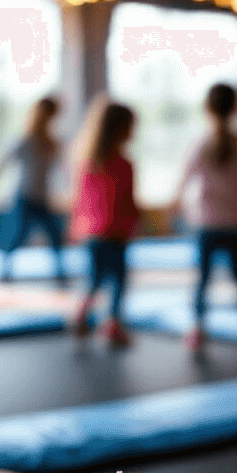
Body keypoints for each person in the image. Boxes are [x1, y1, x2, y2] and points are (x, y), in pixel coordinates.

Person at [170, 84, 237, 352]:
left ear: (208, 108)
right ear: (236, 108)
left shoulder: (201, 144)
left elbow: (182, 184)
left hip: (205, 224)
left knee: (202, 279)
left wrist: (172, 210)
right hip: (235, 223)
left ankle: (196, 328)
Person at [68, 97, 139, 348]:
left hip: (91, 233)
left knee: (94, 279)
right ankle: (113, 323)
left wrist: (76, 228)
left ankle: (81, 313)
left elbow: (79, 201)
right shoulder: (124, 165)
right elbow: (128, 203)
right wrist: (135, 224)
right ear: (121, 130)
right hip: (115, 232)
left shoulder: (87, 163)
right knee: (118, 279)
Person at [0, 95, 65, 283]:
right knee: (16, 235)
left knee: (55, 235)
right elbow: (3, 163)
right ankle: (4, 270)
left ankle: (59, 271)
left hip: (42, 198)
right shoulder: (26, 141)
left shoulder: (52, 144)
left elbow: (58, 172)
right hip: (25, 197)